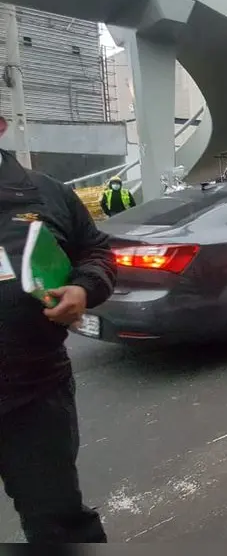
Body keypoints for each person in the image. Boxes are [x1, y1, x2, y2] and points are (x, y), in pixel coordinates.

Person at [0, 116, 115, 542]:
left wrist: (84, 288)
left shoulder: (47, 194)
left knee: (57, 522)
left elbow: (96, 251)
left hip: (33, 393)